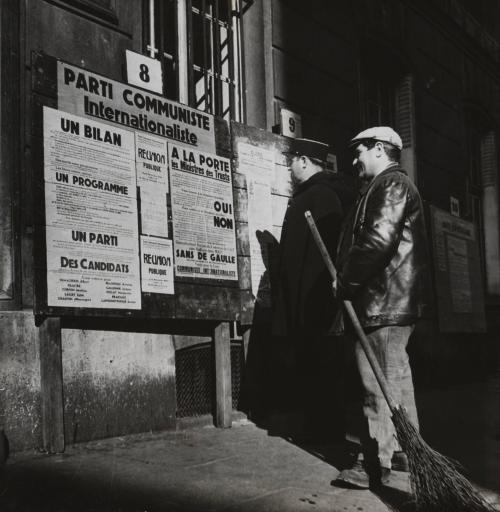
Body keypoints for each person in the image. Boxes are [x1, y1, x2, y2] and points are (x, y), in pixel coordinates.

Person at [333, 126, 428, 488]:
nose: (355, 160)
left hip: (381, 300)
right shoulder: (389, 186)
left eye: (359, 152)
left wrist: (344, 281)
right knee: (396, 382)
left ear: (379, 149)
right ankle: (407, 451)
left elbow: (377, 240)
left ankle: (373, 461)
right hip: (393, 300)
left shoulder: (390, 185)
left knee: (375, 383)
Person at [271, 137, 357, 439]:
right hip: (307, 300)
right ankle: (317, 425)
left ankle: (325, 429)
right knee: (315, 364)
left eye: (291, 160)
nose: (289, 166)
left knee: (321, 364)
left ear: (304, 161)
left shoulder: (320, 196)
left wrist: (310, 301)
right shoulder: (312, 195)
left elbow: (322, 256)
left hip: (315, 302)